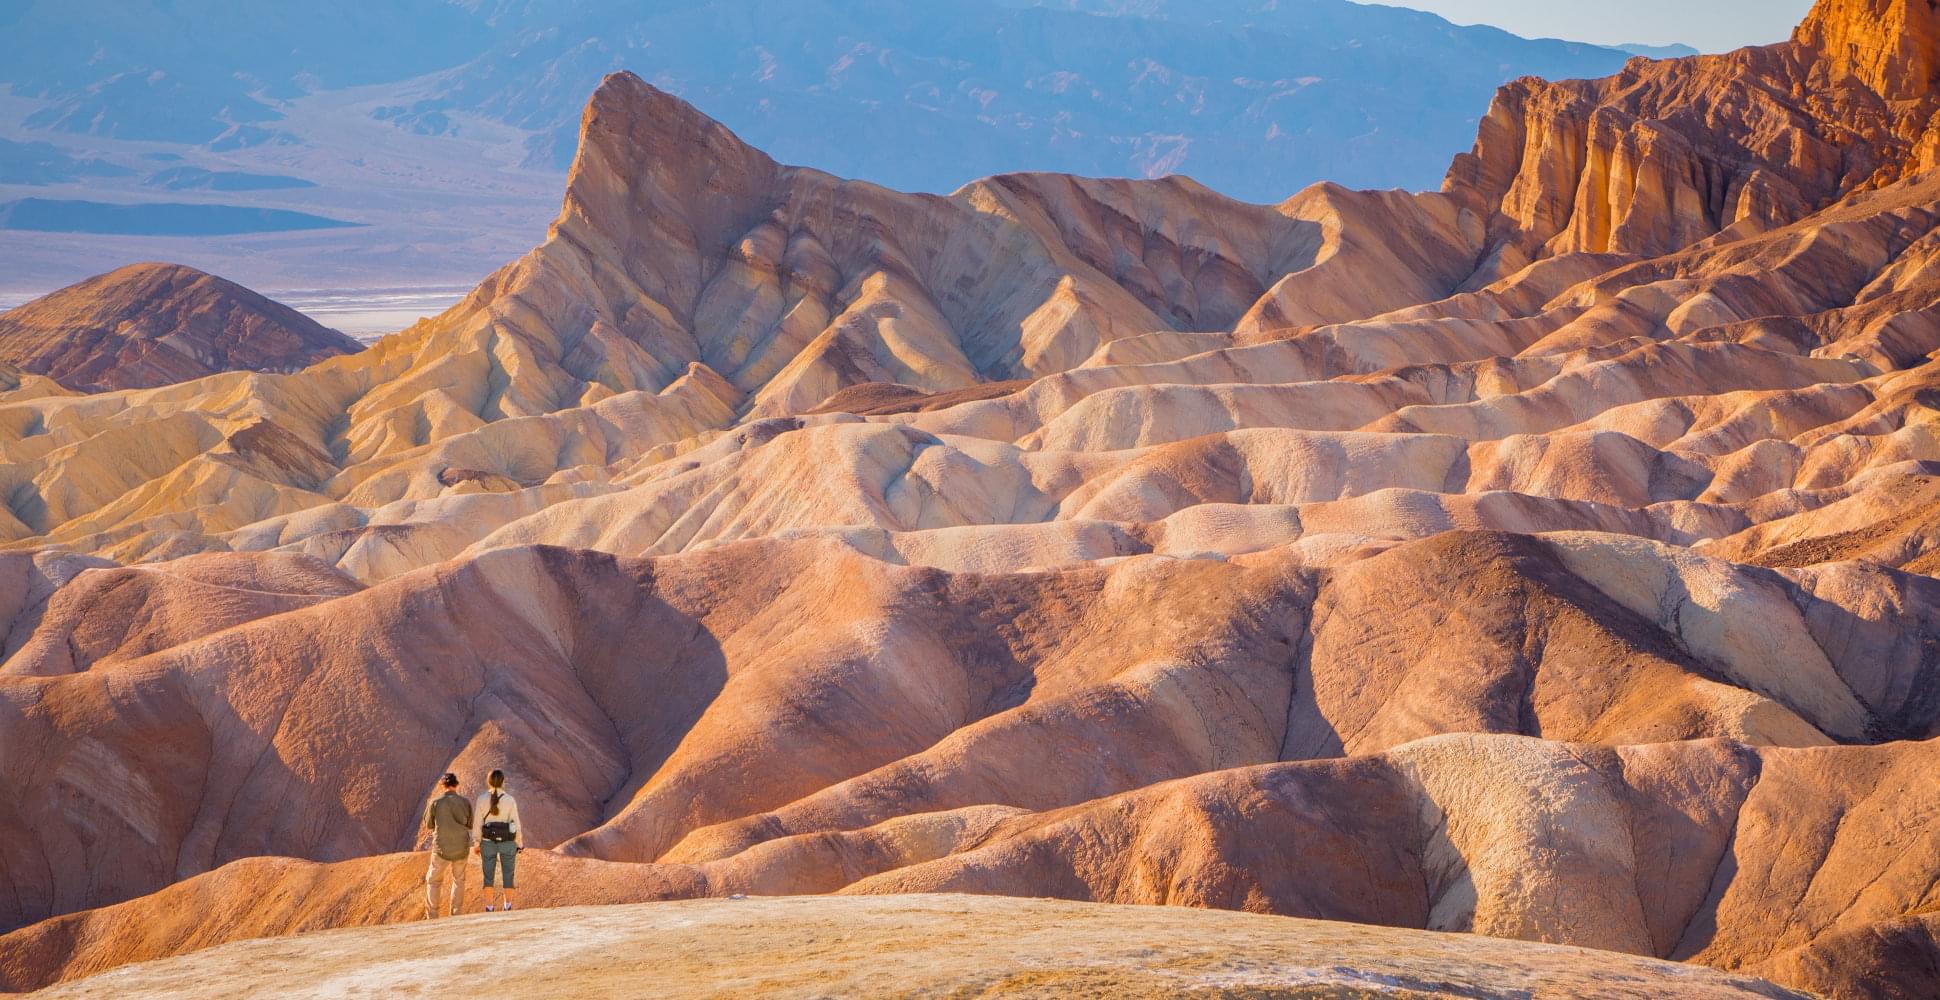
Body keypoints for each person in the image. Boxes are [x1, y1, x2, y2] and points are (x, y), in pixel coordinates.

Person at [472, 768, 524, 912]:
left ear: (488, 782)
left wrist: (476, 843)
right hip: (507, 842)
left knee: (488, 876)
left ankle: (489, 907)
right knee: (508, 874)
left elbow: (477, 824)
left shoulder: (481, 799)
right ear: (503, 782)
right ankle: (507, 906)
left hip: (488, 842)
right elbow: (516, 824)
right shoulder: (510, 800)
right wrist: (519, 843)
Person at [423, 772, 474, 918]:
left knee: (433, 881)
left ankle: (432, 915)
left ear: (442, 785)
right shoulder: (465, 802)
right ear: (456, 785)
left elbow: (429, 824)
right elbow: (470, 824)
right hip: (461, 848)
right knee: (459, 880)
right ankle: (456, 913)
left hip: (441, 848)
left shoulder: (435, 802)